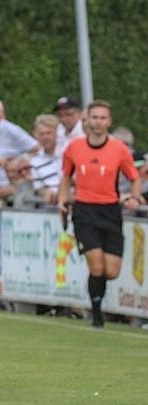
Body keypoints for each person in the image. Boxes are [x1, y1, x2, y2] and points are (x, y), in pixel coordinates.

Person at [58, 100, 143, 328]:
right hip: (84, 211)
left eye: (103, 118)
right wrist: (62, 198)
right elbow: (66, 176)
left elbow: (134, 177)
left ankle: (97, 297)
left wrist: (134, 197)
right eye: (94, 117)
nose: (98, 122)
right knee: (96, 266)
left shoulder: (119, 150)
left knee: (111, 271)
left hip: (111, 211)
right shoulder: (74, 148)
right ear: (87, 120)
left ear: (109, 121)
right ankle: (97, 314)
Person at [0, 97, 39, 207]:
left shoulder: (11, 130)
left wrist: (18, 161)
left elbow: (36, 148)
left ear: (2, 114)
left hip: (7, 190)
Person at [29, 114, 62, 205]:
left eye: (48, 133)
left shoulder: (67, 152)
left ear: (56, 133)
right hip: (50, 206)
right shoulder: (34, 161)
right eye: (41, 134)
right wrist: (46, 192)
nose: (45, 137)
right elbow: (38, 187)